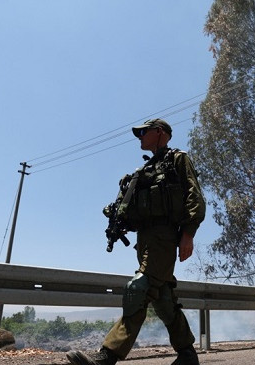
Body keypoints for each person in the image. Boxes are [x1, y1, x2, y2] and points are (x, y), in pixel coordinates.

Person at [66, 118, 206, 365]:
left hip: (164, 235)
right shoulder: (145, 170)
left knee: (138, 289)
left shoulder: (177, 159)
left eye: (144, 131)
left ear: (159, 132)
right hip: (145, 239)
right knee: (162, 298)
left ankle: (108, 355)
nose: (139, 136)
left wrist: (189, 233)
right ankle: (187, 354)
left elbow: (195, 195)